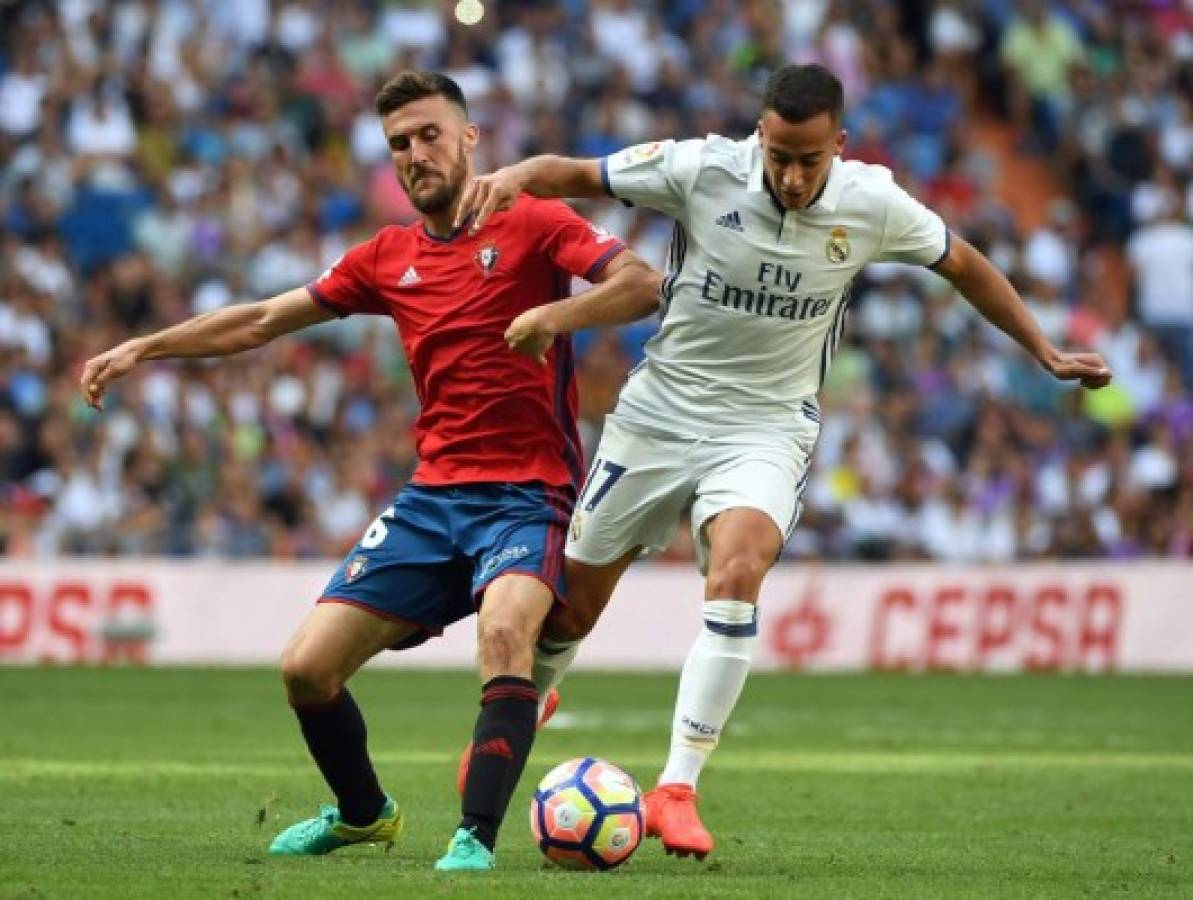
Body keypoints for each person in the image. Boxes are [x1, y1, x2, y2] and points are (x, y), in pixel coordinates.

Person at [455, 63, 1113, 860]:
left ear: (838, 145)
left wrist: (1041, 349)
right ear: (758, 137)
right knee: (570, 612)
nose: (793, 177)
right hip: (658, 416)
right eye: (779, 158)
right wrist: (518, 173)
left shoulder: (870, 202)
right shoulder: (699, 169)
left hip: (766, 427)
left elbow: (962, 262)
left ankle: (676, 788)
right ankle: (523, 711)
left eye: (810, 161)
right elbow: (580, 174)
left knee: (737, 571)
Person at [78, 71, 658, 872]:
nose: (414, 154)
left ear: (468, 138)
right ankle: (363, 815)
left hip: (529, 492)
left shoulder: (534, 222)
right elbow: (260, 319)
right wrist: (146, 345)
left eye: (428, 135)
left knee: (503, 631)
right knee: (305, 670)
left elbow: (640, 284)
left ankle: (473, 838)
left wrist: (557, 315)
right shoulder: (389, 257)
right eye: (398, 145)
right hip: (432, 499)